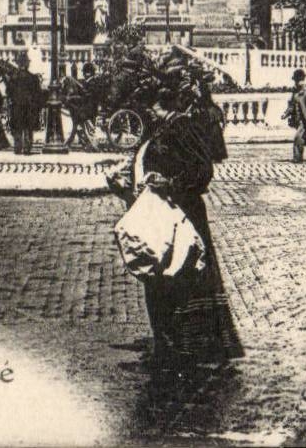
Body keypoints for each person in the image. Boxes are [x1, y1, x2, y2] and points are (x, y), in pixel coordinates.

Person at [109, 84, 241, 388]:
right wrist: (125, 182)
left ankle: (186, 349)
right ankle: (167, 346)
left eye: (151, 106)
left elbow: (202, 171)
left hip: (181, 214)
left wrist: (170, 183)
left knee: (181, 275)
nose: (147, 111)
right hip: (159, 212)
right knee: (159, 275)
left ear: (164, 104)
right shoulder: (161, 129)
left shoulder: (183, 127)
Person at [3, 51, 43, 156]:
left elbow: (8, 92)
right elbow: (38, 93)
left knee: (17, 127)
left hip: (17, 106)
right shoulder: (33, 78)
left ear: (18, 63)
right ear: (27, 64)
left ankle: (18, 147)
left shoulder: (14, 78)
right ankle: (27, 148)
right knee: (28, 127)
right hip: (29, 106)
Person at [283, 68, 306, 163]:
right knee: (303, 138)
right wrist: (286, 114)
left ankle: (297, 158)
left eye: (300, 79)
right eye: (296, 80)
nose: (298, 82)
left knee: (298, 137)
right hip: (298, 119)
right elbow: (292, 105)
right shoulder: (295, 91)